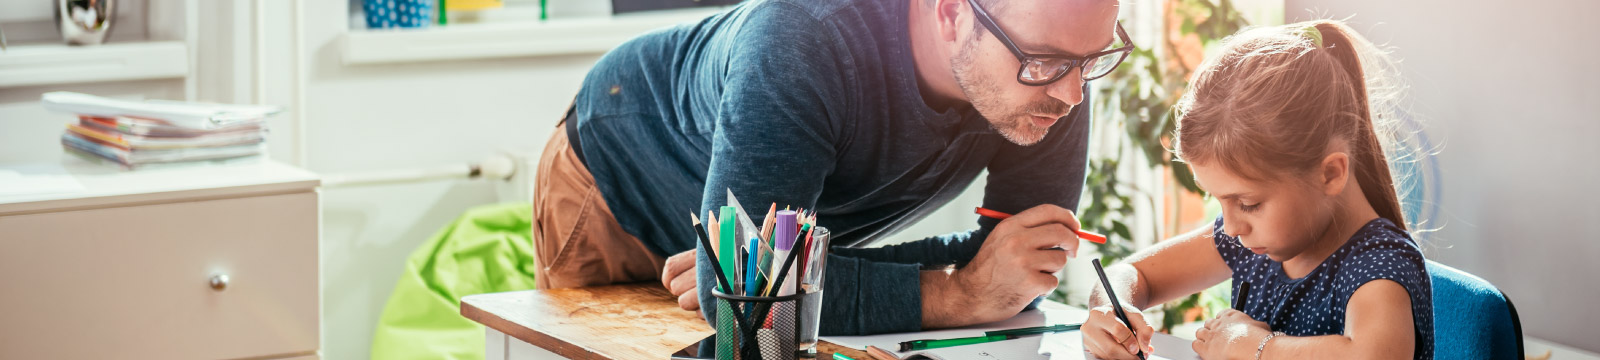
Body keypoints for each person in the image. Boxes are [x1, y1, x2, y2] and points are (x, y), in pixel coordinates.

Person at [531, 0, 1132, 335]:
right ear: (951, 14)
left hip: (778, 228)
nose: (1074, 95)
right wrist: (959, 294)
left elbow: (1013, 265)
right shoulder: (802, 39)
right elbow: (750, 299)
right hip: (622, 176)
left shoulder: (1057, 73)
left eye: (1094, 58)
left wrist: (767, 276)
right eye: (1046, 62)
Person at [1079, 20, 1433, 359]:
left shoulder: (1377, 262)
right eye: (1216, 199)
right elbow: (1134, 274)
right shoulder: (1255, 241)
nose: (1231, 227)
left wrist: (1252, 346)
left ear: (1329, 174)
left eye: (1247, 203)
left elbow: (1372, 355)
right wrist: (1112, 307)